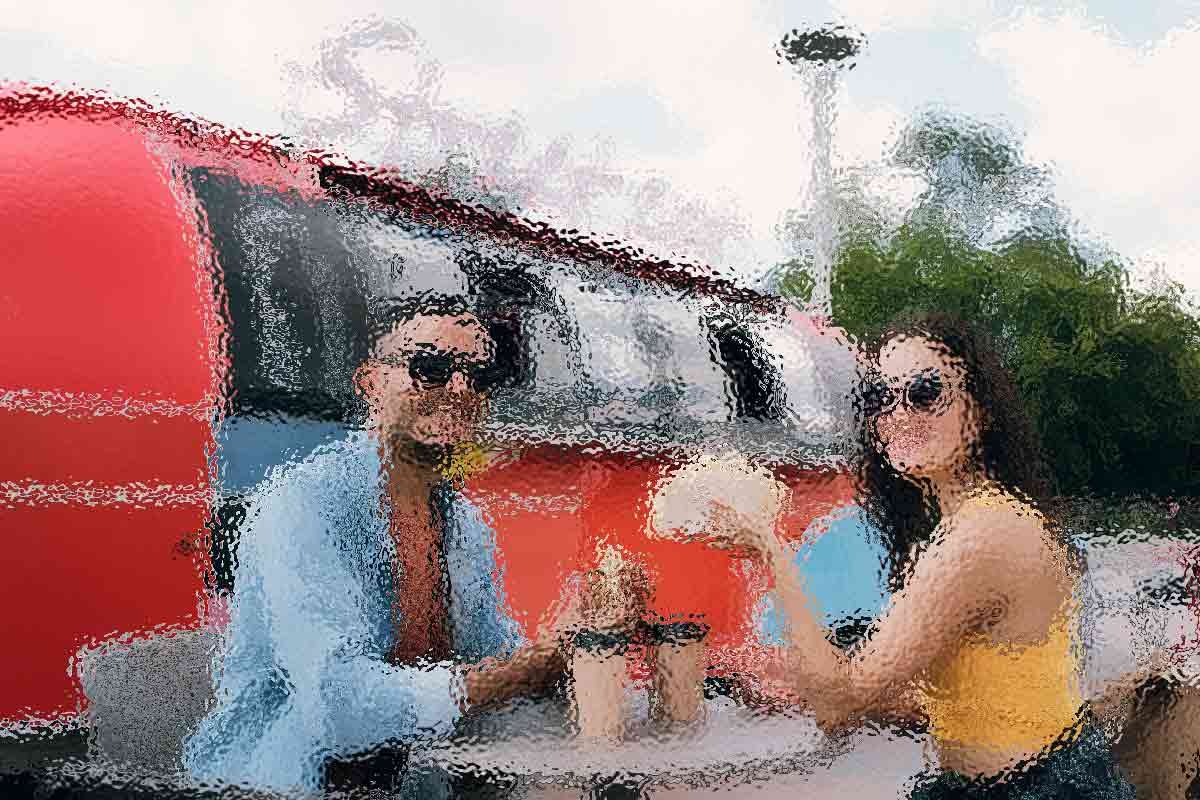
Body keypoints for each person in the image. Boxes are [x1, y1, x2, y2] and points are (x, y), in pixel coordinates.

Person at [700, 314, 1134, 798]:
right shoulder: (988, 516)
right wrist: (818, 678)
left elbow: (837, 706)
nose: (899, 414)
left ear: (979, 410)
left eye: (925, 393)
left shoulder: (981, 539)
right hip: (1032, 777)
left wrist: (770, 549)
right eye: (878, 397)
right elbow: (988, 689)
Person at [184, 293, 575, 794]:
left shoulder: (464, 522)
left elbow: (495, 655)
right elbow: (339, 707)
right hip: (289, 781)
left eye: (480, 376)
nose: (460, 389)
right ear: (371, 383)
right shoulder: (302, 503)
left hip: (421, 779)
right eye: (430, 368)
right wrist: (515, 672)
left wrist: (571, 644)